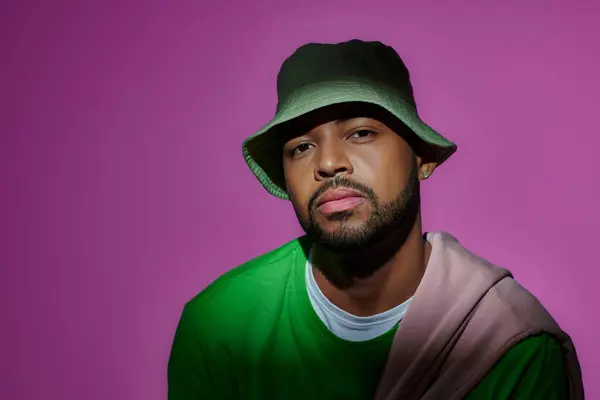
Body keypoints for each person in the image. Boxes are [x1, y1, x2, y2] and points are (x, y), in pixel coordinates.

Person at [168, 39, 584, 399]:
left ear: (421, 156)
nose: (329, 163)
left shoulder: (511, 343)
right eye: (301, 147)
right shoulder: (221, 326)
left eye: (361, 132)